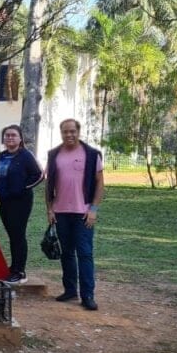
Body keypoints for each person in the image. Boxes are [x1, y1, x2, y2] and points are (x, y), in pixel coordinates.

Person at [45, 119, 104, 311]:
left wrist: (93, 210)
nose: (69, 135)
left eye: (72, 131)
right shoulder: (54, 154)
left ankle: (88, 295)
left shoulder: (92, 154)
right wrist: (50, 209)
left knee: (85, 254)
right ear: (60, 133)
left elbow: (100, 184)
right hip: (61, 213)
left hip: (83, 214)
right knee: (67, 253)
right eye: (65, 132)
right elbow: (49, 184)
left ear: (78, 132)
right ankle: (70, 289)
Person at [0, 125, 43, 285]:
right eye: (7, 135)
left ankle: (20, 271)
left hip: (20, 202)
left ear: (20, 139)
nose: (10, 138)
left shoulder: (26, 156)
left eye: (13, 135)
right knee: (12, 235)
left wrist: (21, 188)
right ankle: (14, 267)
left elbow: (38, 175)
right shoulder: (1, 156)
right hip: (4, 202)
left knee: (18, 235)